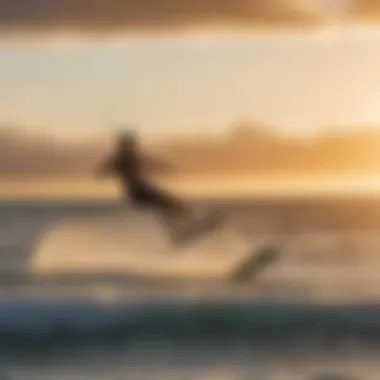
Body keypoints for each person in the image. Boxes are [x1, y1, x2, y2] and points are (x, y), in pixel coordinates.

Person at [95, 129, 196, 242]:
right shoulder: (121, 159)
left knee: (169, 204)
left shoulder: (129, 158)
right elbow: (104, 170)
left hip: (143, 190)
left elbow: (150, 163)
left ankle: (185, 227)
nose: (133, 146)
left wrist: (164, 168)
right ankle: (180, 231)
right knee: (165, 205)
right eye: (131, 144)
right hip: (137, 193)